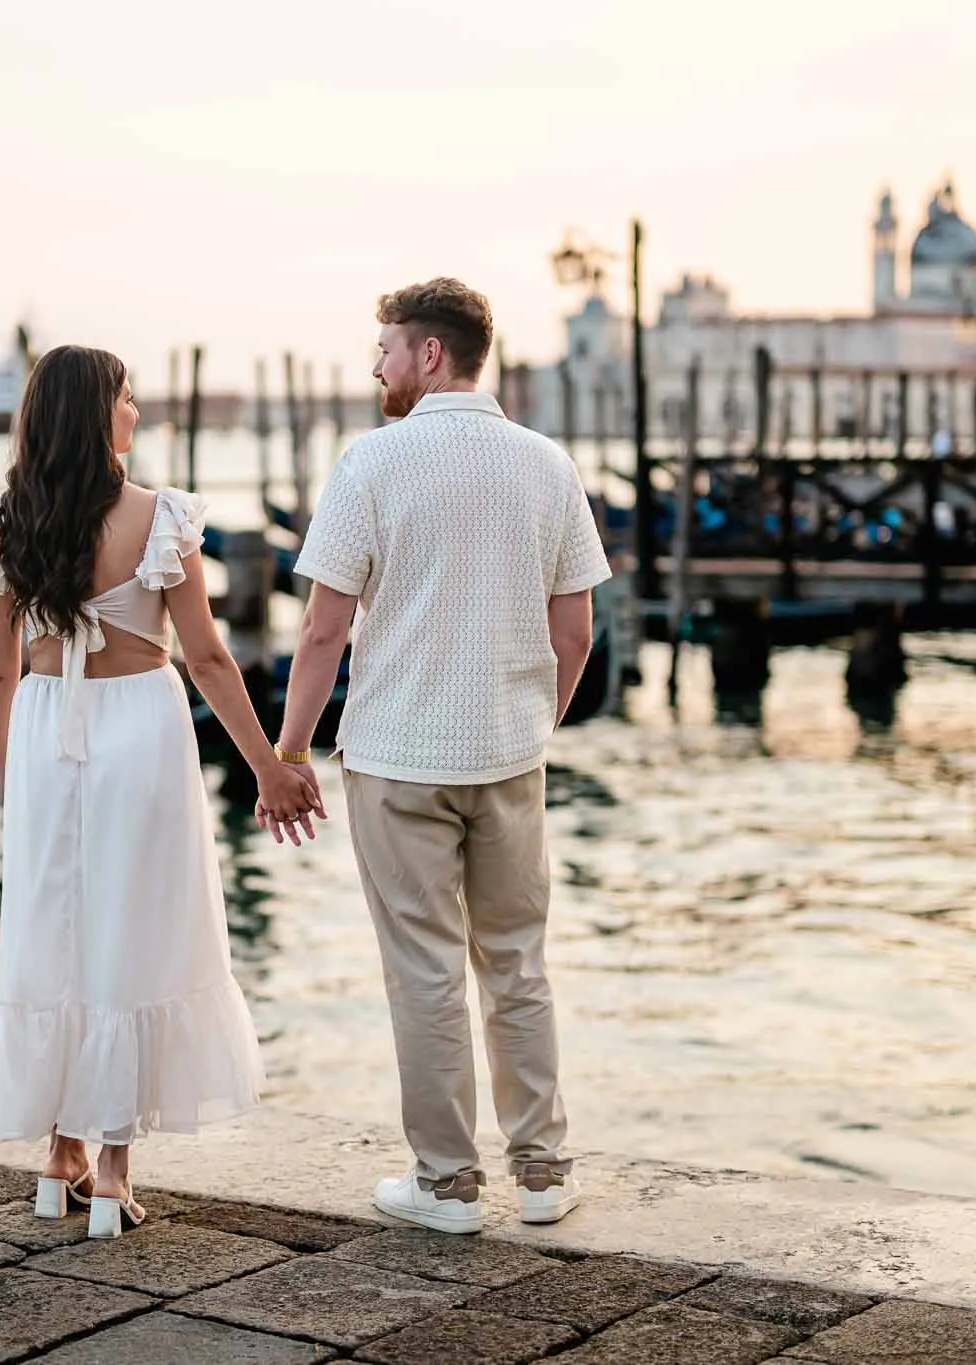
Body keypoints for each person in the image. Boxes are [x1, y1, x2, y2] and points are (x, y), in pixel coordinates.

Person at [266, 279, 610, 1234]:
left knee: (423, 969)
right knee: (517, 961)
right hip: (509, 756)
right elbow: (574, 631)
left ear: (430, 355)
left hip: (395, 757)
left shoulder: (370, 462)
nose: (373, 364)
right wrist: (537, 723)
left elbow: (324, 629)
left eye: (385, 348)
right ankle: (541, 1173)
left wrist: (291, 747)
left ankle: (449, 1186)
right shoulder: (548, 466)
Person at [0, 345, 321, 1240]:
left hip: (47, 734)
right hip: (139, 733)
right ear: (98, 415)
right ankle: (114, 1177)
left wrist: (17, 774)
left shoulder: (3, 524)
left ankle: (58, 1156)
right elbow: (203, 656)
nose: (138, 413)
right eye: (127, 399)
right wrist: (268, 764)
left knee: (56, 934)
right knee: (139, 932)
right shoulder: (160, 517)